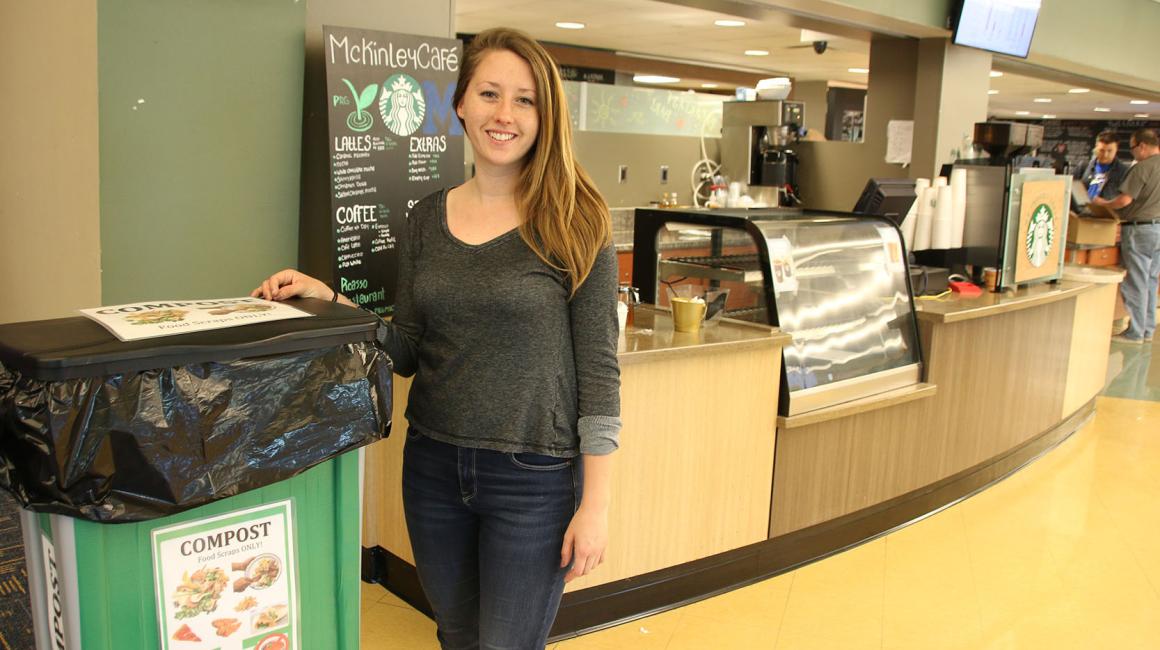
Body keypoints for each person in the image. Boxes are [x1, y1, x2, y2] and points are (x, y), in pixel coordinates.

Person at [253, 28, 620, 648]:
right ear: (460, 104)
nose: (504, 115)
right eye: (489, 94)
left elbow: (600, 373)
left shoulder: (578, 220)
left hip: (534, 476)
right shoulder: (425, 217)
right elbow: (407, 350)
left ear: (546, 114)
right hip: (433, 467)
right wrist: (331, 300)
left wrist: (597, 505)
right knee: (455, 635)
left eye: (525, 100)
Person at [1094, 128, 1160, 345]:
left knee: (1136, 282)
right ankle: (1148, 329)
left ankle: (1136, 332)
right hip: (1157, 230)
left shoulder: (1142, 168)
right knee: (1150, 281)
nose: (1132, 154)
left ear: (1142, 146)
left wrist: (1103, 204)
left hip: (1139, 230)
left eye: (1132, 148)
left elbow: (1124, 201)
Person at [1080, 130, 1132, 200]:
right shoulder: (1083, 167)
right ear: (1096, 148)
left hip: (1106, 209)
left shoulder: (1125, 171)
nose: (1105, 155)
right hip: (1082, 209)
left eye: (1110, 151)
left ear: (1116, 149)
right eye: (1101, 150)